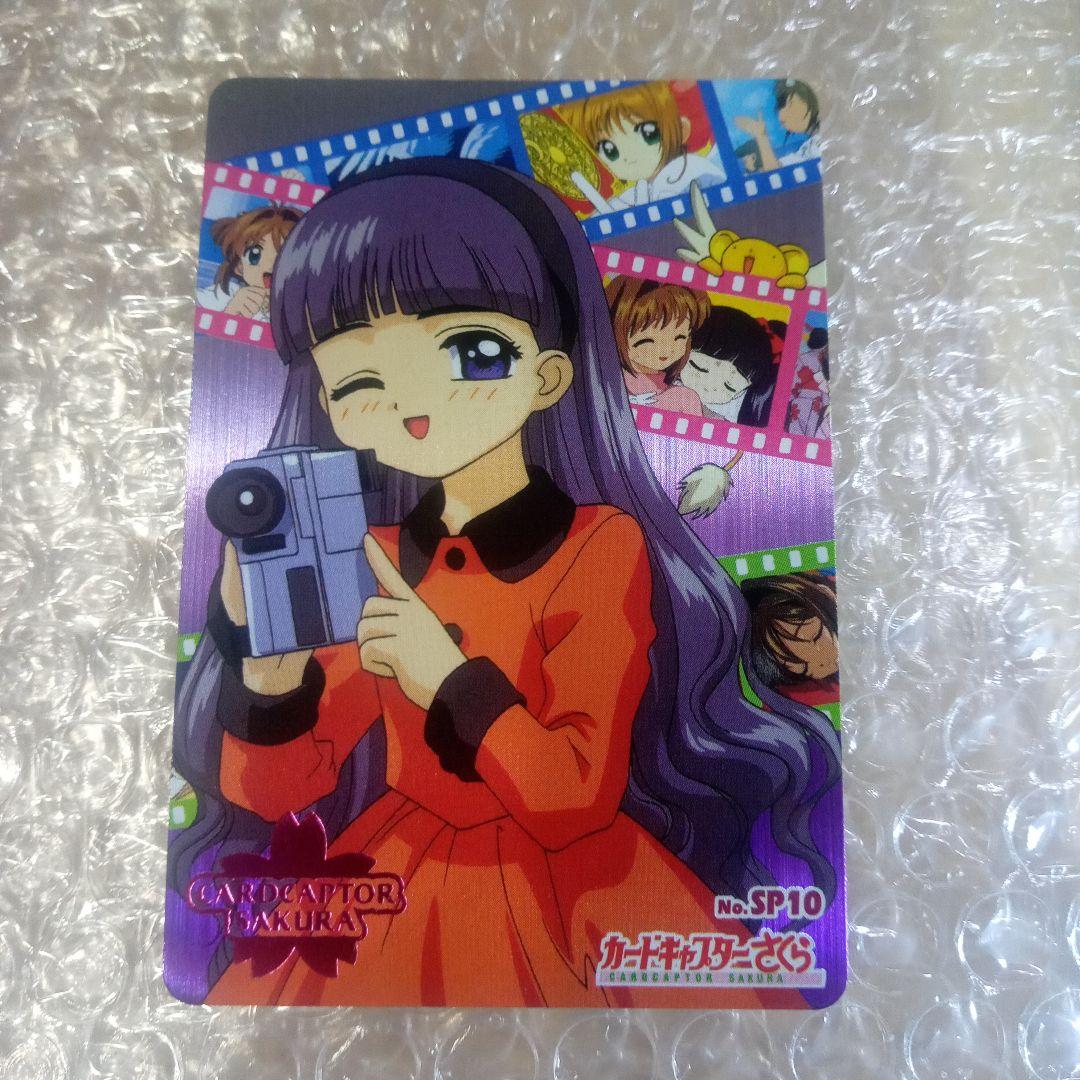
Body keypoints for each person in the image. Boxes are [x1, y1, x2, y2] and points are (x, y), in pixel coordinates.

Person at [169, 159, 840, 1008]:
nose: (414, 406)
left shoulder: (598, 545)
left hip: (577, 891)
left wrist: (447, 679)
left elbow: (573, 793)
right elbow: (281, 792)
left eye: (471, 352)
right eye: (361, 382)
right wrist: (268, 675)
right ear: (331, 406)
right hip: (398, 875)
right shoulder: (371, 552)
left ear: (549, 374)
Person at [560, 82, 727, 212]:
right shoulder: (633, 193)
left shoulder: (692, 172)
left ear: (681, 130)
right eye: (609, 150)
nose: (629, 155)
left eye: (648, 134)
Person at [605, 275, 709, 414]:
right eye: (647, 340)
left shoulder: (684, 397)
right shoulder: (607, 384)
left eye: (679, 337)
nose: (666, 350)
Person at [741, 572, 839, 707]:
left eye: (815, 637)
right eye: (802, 666)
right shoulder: (791, 698)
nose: (820, 662)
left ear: (828, 595)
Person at [679, 306, 782, 426]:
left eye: (729, 386)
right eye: (699, 368)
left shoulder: (735, 417)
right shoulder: (666, 383)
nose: (711, 385)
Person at [196, 205, 301, 320]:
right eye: (255, 255)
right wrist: (230, 312)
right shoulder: (228, 293)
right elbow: (192, 312)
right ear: (239, 266)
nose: (270, 267)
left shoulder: (297, 311)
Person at [734, 79, 821, 173]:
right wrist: (761, 136)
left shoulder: (817, 144)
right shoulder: (807, 148)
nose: (781, 117)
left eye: (790, 103)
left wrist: (761, 137)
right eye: (781, 105)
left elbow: (777, 173)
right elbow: (777, 173)